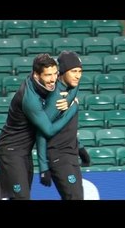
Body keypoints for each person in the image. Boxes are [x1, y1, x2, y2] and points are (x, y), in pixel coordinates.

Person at [0, 53, 79, 200]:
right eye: (48, 75)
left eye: (55, 74)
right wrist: (72, 108)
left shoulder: (43, 81)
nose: (53, 80)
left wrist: (70, 99)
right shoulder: (29, 98)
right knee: (21, 197)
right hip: (10, 151)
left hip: (24, 152)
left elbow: (74, 83)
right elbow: (48, 130)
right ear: (36, 75)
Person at [36, 51, 91, 200]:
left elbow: (67, 128)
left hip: (70, 156)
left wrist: (80, 148)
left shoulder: (69, 92)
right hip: (59, 158)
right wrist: (43, 167)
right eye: (74, 71)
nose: (78, 75)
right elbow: (41, 132)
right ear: (63, 71)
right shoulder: (57, 98)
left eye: (80, 71)